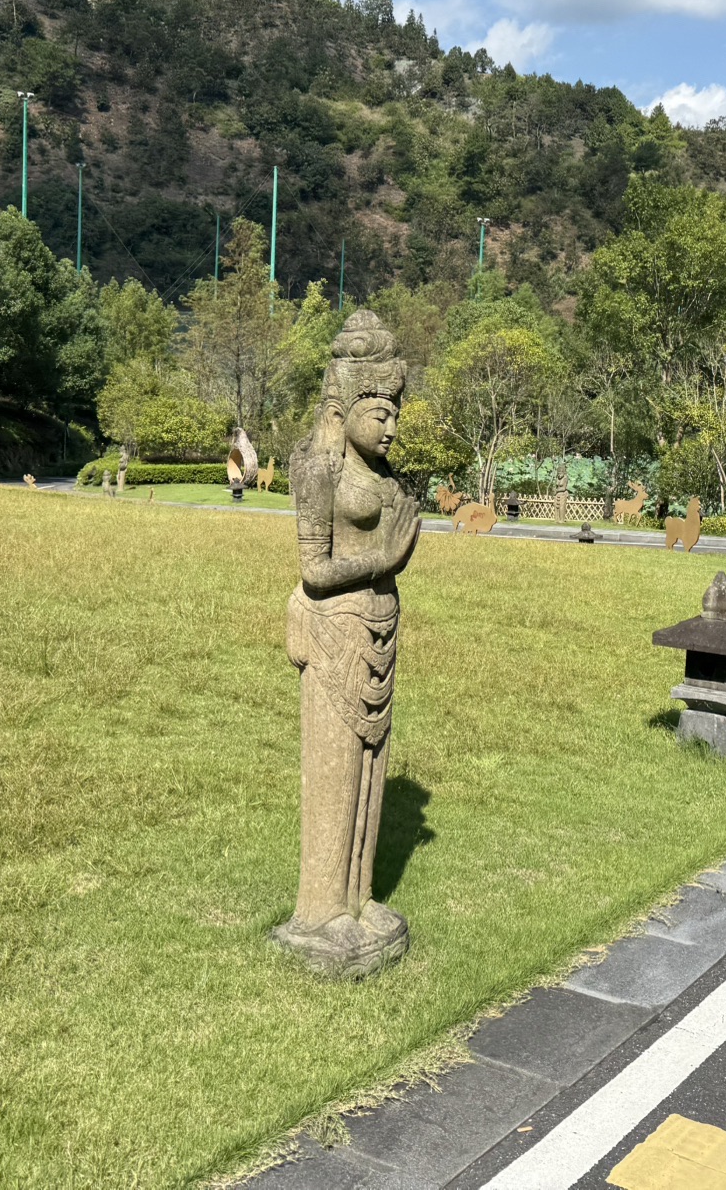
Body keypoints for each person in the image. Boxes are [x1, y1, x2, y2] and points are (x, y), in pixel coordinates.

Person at [273, 311, 423, 977]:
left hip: (379, 632)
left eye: (395, 412)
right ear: (345, 406)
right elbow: (314, 570)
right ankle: (320, 910)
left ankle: (358, 898)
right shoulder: (318, 471)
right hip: (335, 633)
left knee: (369, 771)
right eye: (379, 412)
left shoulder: (385, 480)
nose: (390, 427)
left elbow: (387, 551)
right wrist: (383, 558)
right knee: (335, 773)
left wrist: (392, 559)